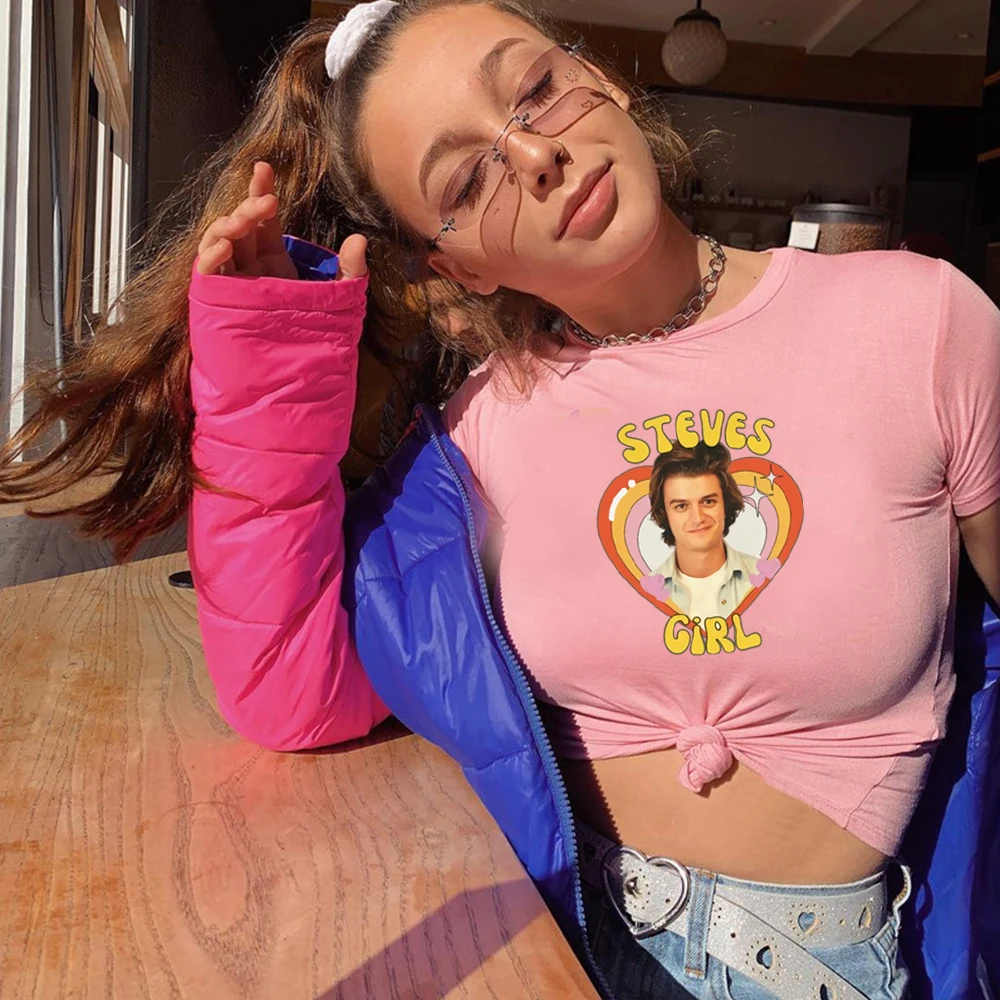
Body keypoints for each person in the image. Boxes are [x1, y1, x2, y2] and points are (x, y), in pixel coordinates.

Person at [2, 1, 998, 997]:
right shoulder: (483, 428)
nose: (534, 155)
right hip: (542, 936)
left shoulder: (922, 322)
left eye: (534, 89)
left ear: (600, 80)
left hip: (808, 962)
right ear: (459, 267)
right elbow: (293, 690)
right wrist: (271, 359)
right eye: (467, 180)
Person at [647, 441, 759, 621]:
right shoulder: (643, 596)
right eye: (681, 506)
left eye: (708, 502)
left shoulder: (768, 581)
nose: (698, 518)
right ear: (664, 514)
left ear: (725, 505)